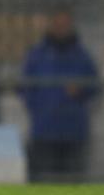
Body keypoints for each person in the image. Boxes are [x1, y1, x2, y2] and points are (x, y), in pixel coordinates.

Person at [21, 9, 98, 181]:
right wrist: (39, 107)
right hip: (44, 132)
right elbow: (24, 88)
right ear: (50, 26)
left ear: (71, 26)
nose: (61, 28)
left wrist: (81, 90)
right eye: (58, 24)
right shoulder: (36, 56)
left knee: (72, 186)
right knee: (44, 184)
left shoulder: (82, 57)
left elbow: (95, 87)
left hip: (74, 133)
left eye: (65, 24)